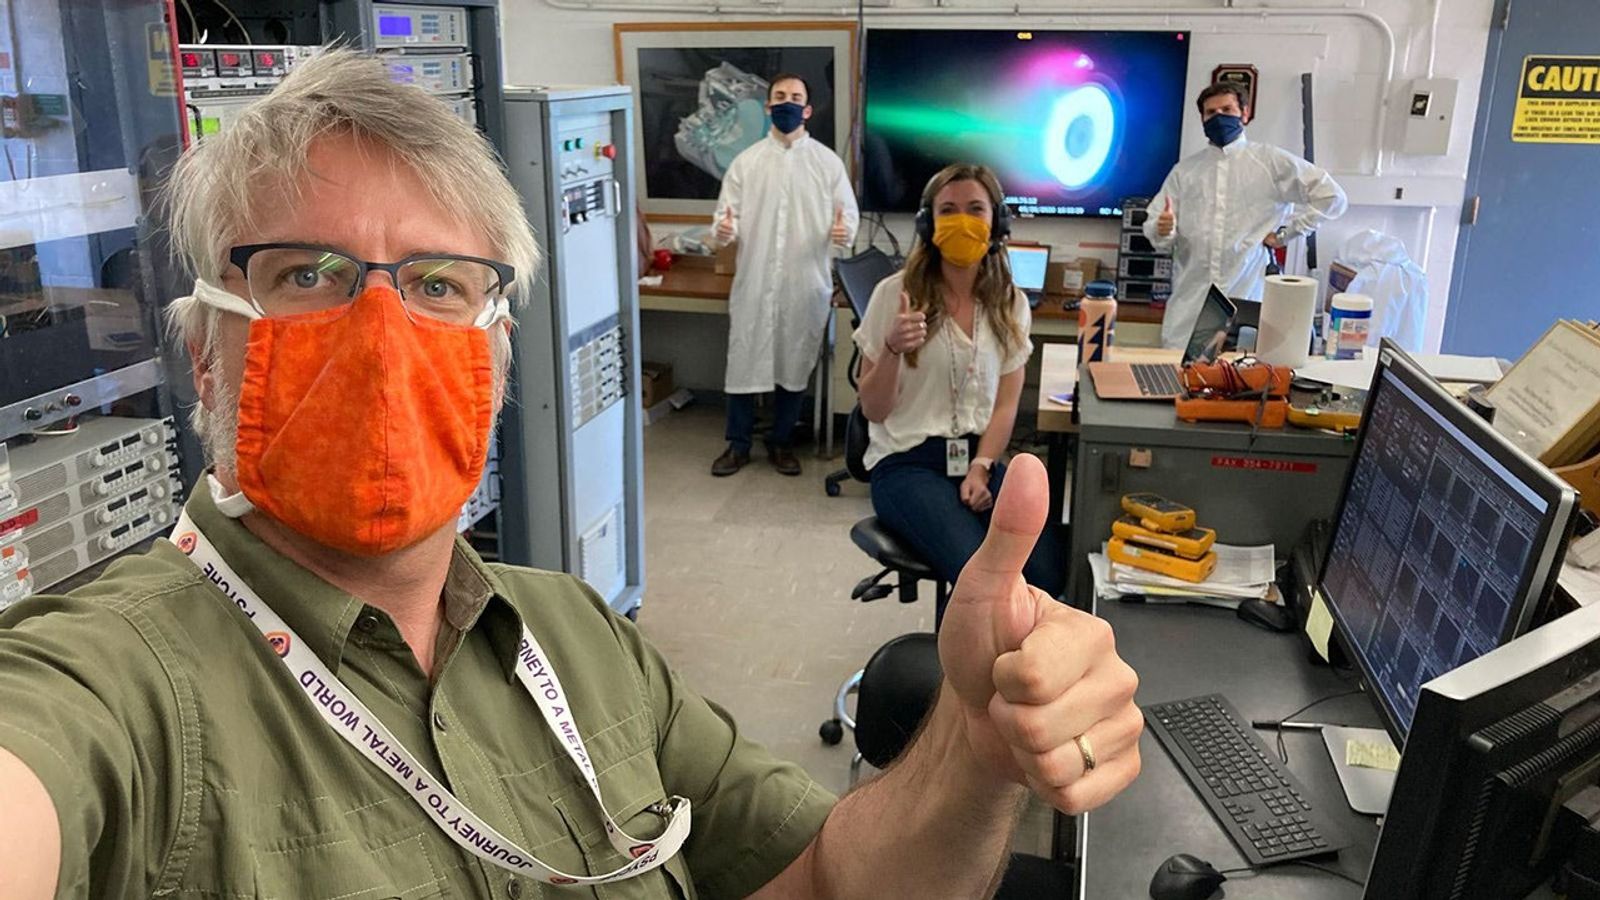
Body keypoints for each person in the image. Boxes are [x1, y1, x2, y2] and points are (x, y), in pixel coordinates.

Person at [0, 51, 1141, 898]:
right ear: (205, 348)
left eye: (441, 286)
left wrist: (971, 756)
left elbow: (834, 880)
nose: (384, 333)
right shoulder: (119, 687)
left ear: (495, 361)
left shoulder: (576, 634)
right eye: (309, 273)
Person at [854, 164, 1067, 626]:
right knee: (980, 576)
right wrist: (892, 348)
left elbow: (1007, 402)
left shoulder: (1009, 302)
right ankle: (964, 683)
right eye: (947, 210)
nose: (962, 221)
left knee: (1046, 571)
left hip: (976, 458)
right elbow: (872, 408)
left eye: (976, 209)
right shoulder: (895, 295)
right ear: (928, 224)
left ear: (998, 223)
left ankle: (1019, 672)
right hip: (906, 462)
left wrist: (981, 466)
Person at [710, 73, 857, 477]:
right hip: (754, 283)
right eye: (780, 97)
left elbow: (849, 217)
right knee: (743, 362)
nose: (787, 103)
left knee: (795, 364)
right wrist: (724, 230)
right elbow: (726, 219)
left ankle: (781, 442)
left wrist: (845, 232)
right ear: (768, 107)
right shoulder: (747, 163)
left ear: (807, 110)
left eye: (796, 97)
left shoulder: (828, 164)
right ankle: (737, 445)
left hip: (805, 285)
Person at [1144, 82, 1349, 350]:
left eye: (1226, 109)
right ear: (1203, 119)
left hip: (1247, 303)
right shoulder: (1185, 172)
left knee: (1241, 381)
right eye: (1210, 112)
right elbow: (1158, 232)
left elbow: (1332, 196)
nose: (1218, 117)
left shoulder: (1270, 162)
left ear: (1244, 112)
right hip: (1190, 306)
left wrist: (1287, 234)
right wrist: (1164, 228)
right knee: (1178, 383)